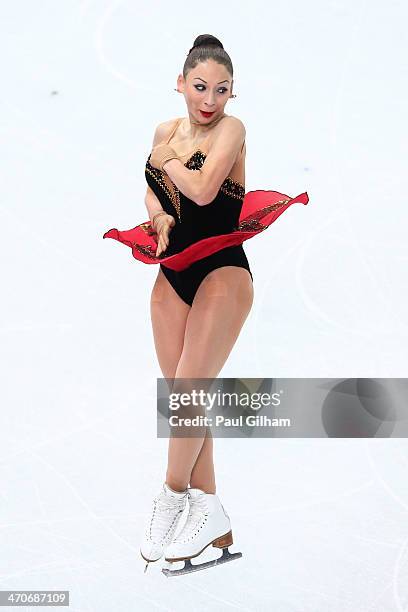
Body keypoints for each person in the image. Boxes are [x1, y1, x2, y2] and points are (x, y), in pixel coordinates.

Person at [103, 33, 309, 576]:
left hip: (222, 270)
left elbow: (200, 189)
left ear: (232, 94)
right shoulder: (164, 131)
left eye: (222, 89)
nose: (210, 99)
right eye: (200, 86)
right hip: (173, 273)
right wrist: (156, 212)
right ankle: (212, 517)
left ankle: (172, 495)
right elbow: (157, 190)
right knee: (183, 400)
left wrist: (168, 162)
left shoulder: (232, 131)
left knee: (191, 388)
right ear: (180, 84)